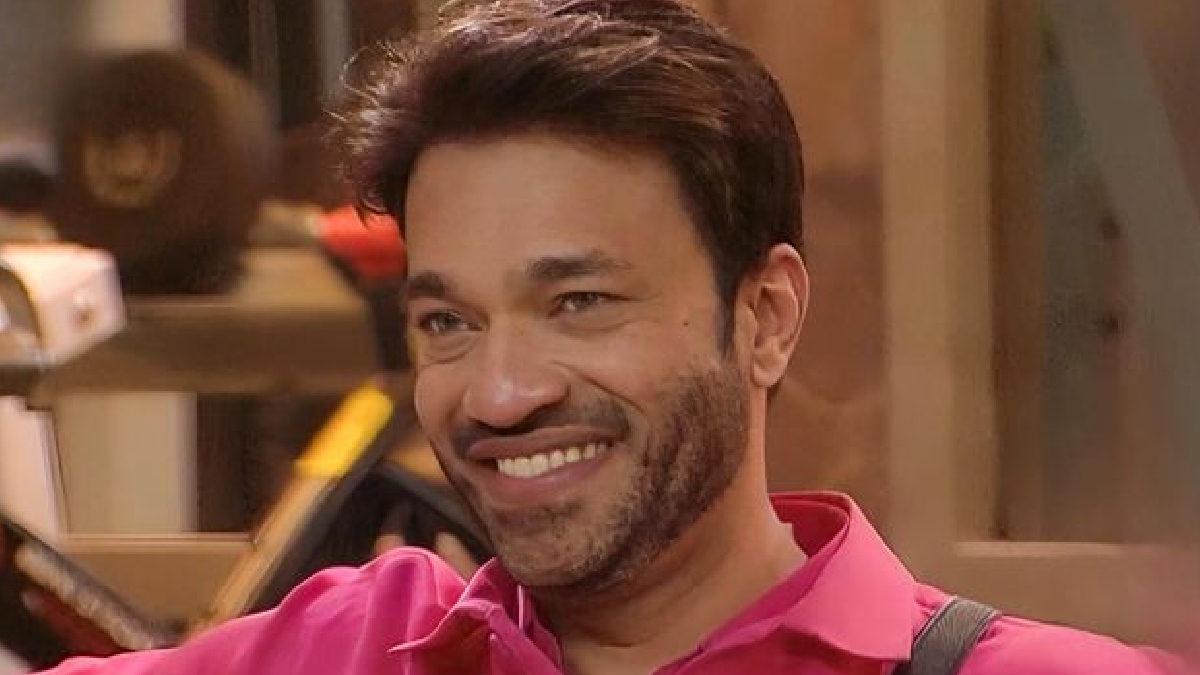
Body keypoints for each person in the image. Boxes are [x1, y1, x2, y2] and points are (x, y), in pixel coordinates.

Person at [38, 0, 1193, 673]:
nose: (499, 393)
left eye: (579, 302)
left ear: (766, 317)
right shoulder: (357, 645)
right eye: (449, 321)